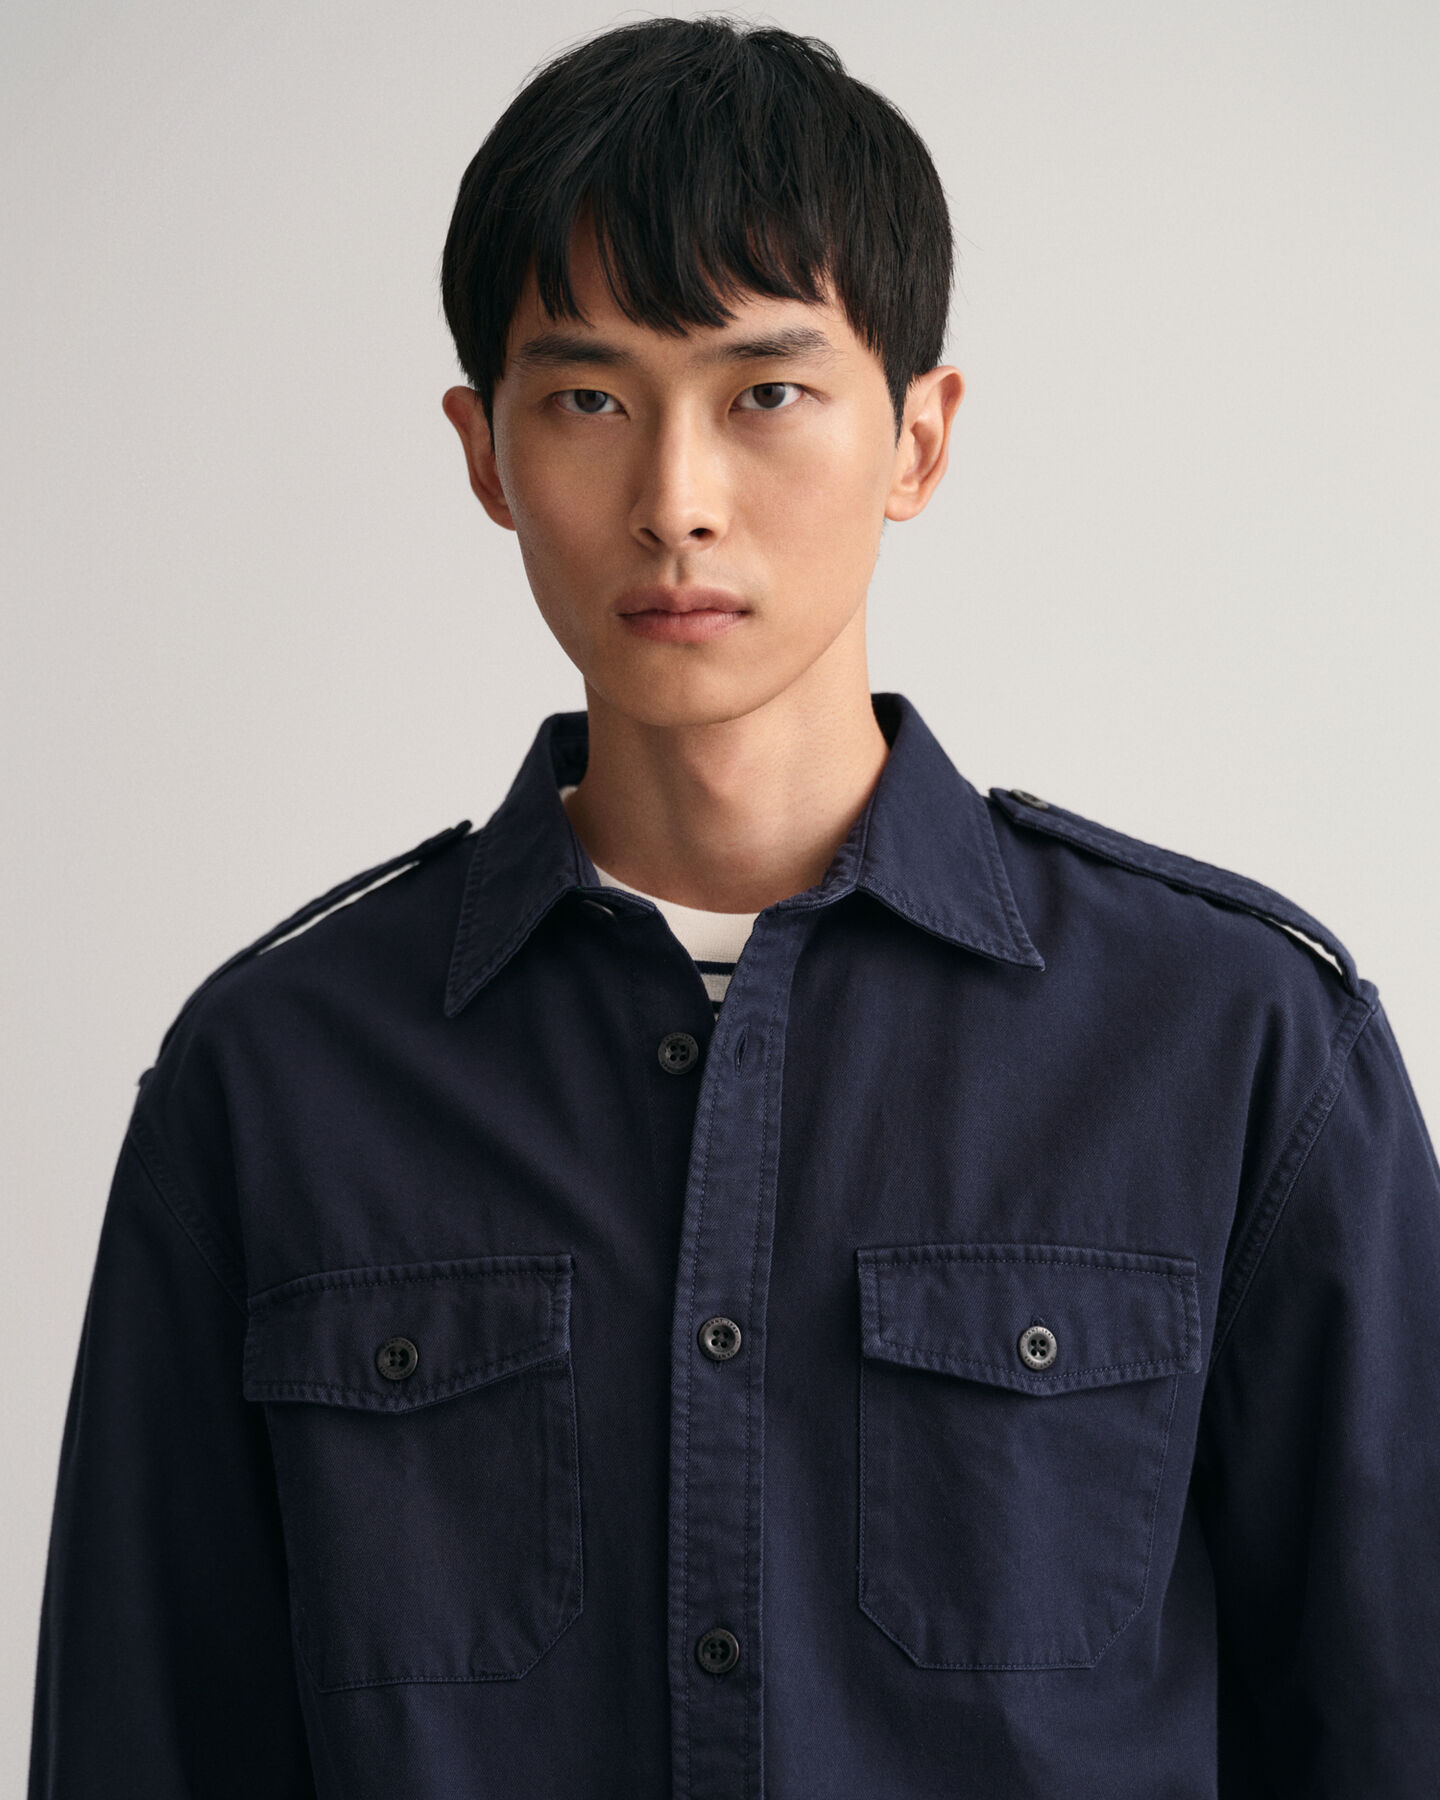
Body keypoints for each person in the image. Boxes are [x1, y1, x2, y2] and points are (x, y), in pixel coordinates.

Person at [26, 16, 1440, 1799]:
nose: (675, 503)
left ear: (917, 437)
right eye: (589, 400)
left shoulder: (1240, 1050)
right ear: (485, 454)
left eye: (765, 393)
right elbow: (142, 1746)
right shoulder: (271, 1080)